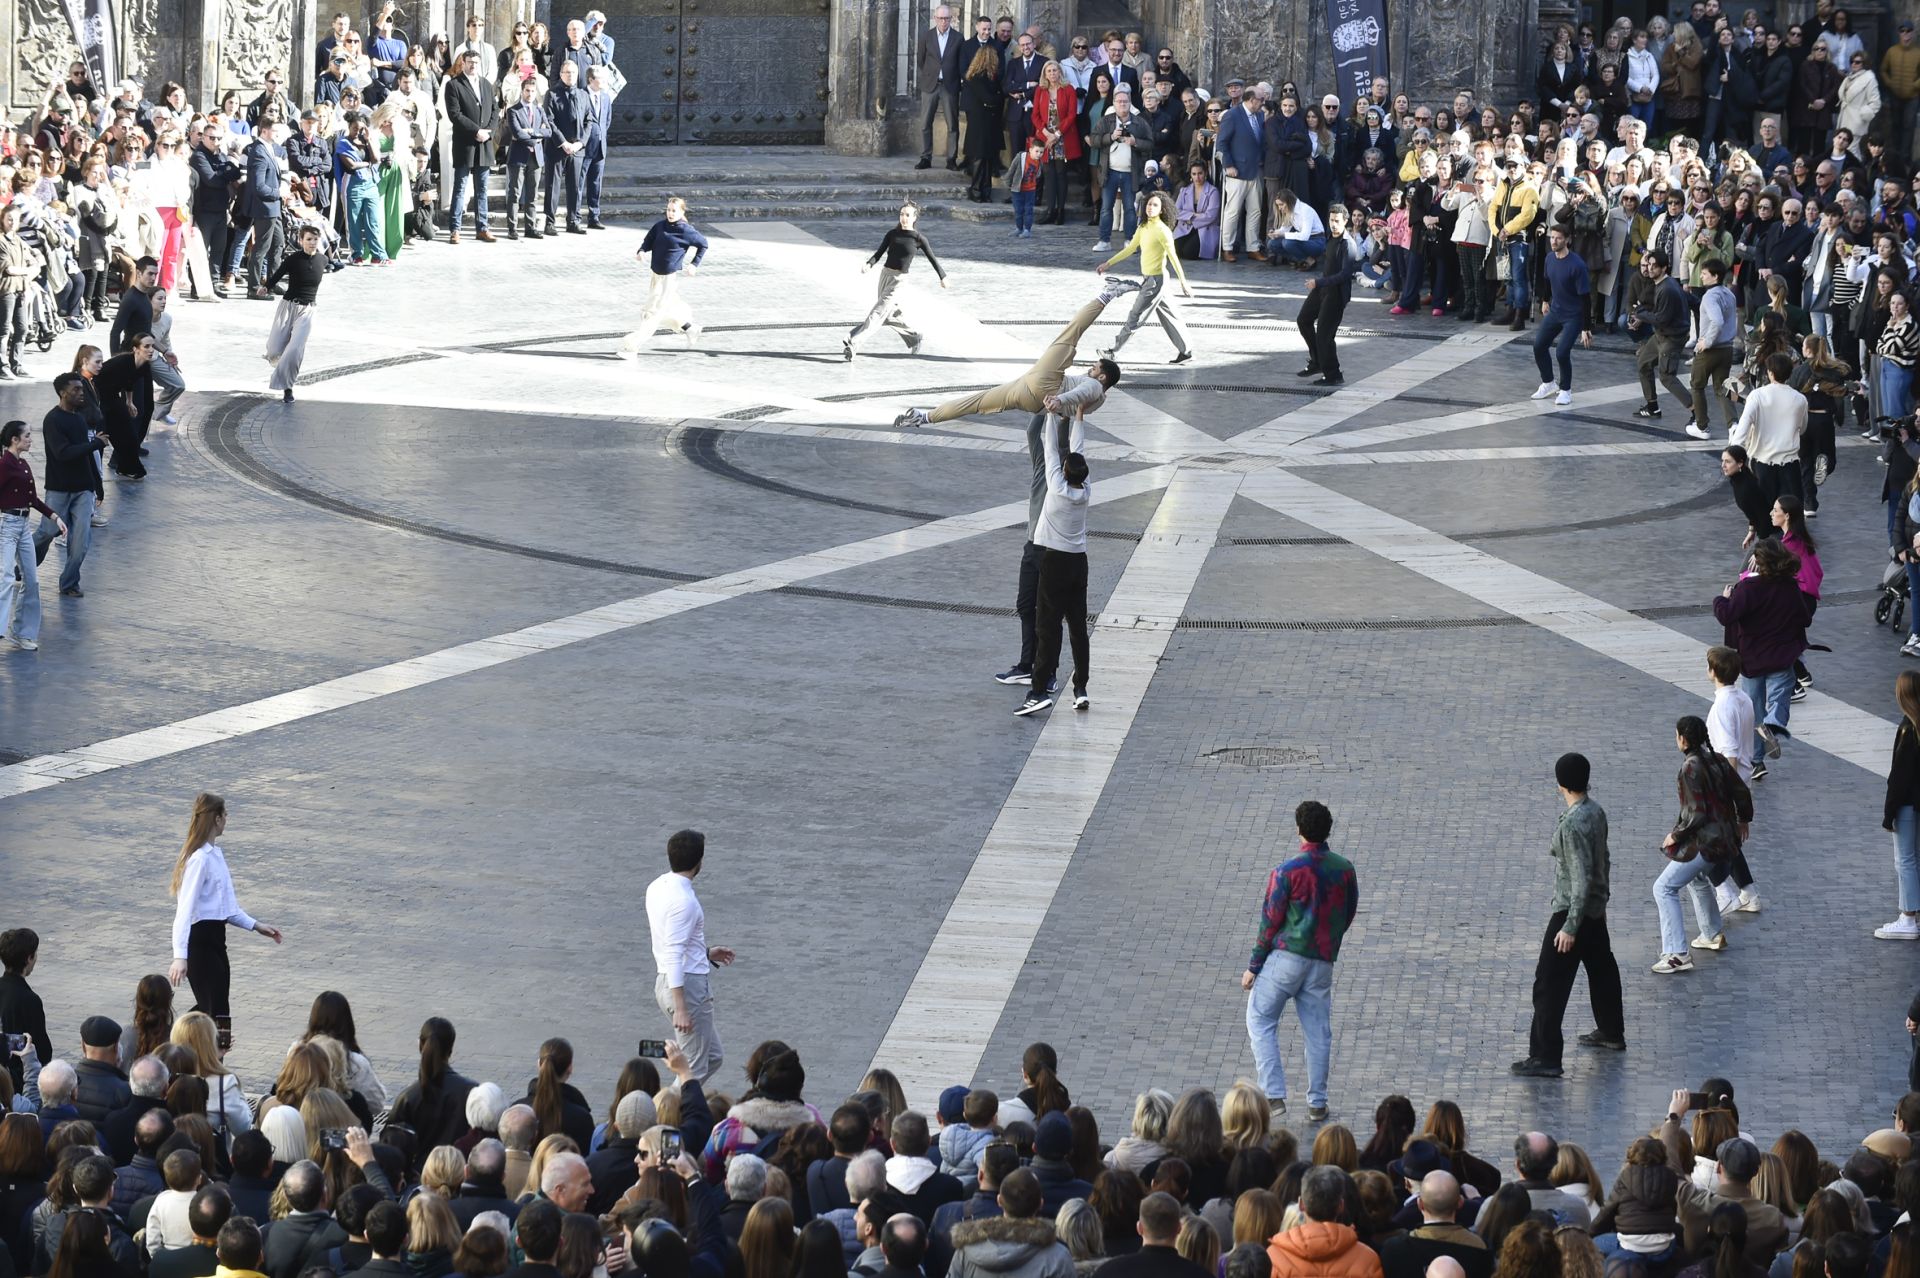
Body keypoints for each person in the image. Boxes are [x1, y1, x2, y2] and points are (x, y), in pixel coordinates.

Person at [1241, 800, 1357, 1121]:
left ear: (1299, 830)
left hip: (1286, 958)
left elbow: (1270, 921)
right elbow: (1347, 913)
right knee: (1318, 1032)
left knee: (1261, 1019)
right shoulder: (1344, 869)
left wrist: (1253, 967)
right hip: (1321, 961)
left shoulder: (1286, 872)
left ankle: (1273, 1095)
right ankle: (1317, 1102)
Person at [1513, 752, 1625, 1077]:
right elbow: (1603, 861)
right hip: (1593, 910)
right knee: (1603, 969)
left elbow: (1580, 876)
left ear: (1560, 784)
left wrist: (1570, 926)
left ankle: (1546, 1055)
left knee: (1548, 983)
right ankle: (1611, 1031)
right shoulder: (1596, 812)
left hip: (1571, 912)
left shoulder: (1574, 824)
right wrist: (1600, 905)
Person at [894, 277, 1133, 429]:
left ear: (1103, 378)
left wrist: (1059, 399)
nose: (1090, 368)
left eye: (1095, 368)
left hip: (1047, 385)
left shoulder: (1095, 388)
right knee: (977, 402)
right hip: (1032, 401)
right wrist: (1056, 407)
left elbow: (1080, 391)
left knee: (1071, 333)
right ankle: (924, 418)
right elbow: (1070, 411)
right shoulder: (1094, 401)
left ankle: (1107, 294)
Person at [167, 792, 284, 1052]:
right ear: (217, 819)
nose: (227, 819)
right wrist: (180, 955)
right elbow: (184, 911)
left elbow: (226, 909)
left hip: (217, 941)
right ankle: (178, 1043)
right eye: (225, 815)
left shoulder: (215, 856)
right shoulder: (199, 860)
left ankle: (211, 1057)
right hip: (200, 943)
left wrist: (256, 925)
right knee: (212, 1009)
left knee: (219, 1008)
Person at [1652, 716, 1752, 974]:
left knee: (1663, 888)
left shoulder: (1689, 768)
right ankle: (1711, 932)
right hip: (1727, 838)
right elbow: (1741, 792)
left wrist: (1675, 835)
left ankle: (1676, 953)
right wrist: (1743, 821)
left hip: (1707, 842)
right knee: (1696, 878)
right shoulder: (1717, 759)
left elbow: (1695, 813)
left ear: (1682, 739)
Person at [1012, 409, 1093, 719]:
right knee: (1077, 629)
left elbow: (1049, 447)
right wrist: (1079, 418)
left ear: (1063, 470)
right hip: (1079, 564)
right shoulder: (1085, 490)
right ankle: (1081, 687)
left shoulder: (1056, 489)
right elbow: (1079, 450)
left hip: (1054, 562)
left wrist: (1049, 414)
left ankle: (1038, 691)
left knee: (1048, 629)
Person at [1712, 537, 1809, 778]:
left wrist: (1722, 598)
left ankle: (1756, 762)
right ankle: (1774, 727)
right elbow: (1804, 617)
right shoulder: (1789, 586)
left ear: (1759, 560)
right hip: (1781, 654)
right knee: (1780, 696)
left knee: (1754, 710)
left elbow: (1727, 615)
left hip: (1752, 658)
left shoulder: (1747, 589)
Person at [645, 829, 735, 1083]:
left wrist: (704, 953)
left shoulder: (657, 886)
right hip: (687, 989)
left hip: (667, 981)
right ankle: (668, 1115)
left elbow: (671, 939)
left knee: (712, 1057)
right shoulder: (685, 902)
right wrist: (681, 1008)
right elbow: (674, 952)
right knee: (692, 1069)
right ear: (699, 862)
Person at [1097, 191, 1193, 364]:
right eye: (1149, 204)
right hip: (1150, 279)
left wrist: (1184, 283)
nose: (1150, 207)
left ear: (1162, 209)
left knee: (1135, 315)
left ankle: (1113, 351)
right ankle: (1187, 351)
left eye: (1155, 205)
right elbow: (1130, 248)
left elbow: (1173, 258)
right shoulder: (1143, 227)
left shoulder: (1163, 231)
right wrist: (1108, 263)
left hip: (1156, 281)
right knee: (1169, 315)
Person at [846, 203, 949, 362]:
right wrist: (869, 264)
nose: (904, 218)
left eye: (908, 215)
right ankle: (914, 338)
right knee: (889, 314)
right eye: (902, 214)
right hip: (885, 276)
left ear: (914, 217)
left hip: (899, 281)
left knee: (878, 312)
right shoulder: (892, 234)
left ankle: (854, 342)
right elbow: (879, 253)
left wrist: (943, 277)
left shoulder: (919, 239)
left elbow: (933, 259)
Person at [1702, 646, 1763, 913]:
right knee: (1731, 841)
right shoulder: (1743, 699)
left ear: (1713, 672)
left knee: (1709, 840)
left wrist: (1725, 795)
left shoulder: (1721, 707)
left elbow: (1730, 754)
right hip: (1743, 779)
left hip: (1728, 783)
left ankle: (1722, 891)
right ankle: (1749, 893)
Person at [35, 373, 105, 599]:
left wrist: (97, 485)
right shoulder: (53, 420)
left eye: (82, 389)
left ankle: (69, 583)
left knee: (80, 541)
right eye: (76, 390)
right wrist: (95, 443)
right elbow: (63, 453)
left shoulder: (78, 419)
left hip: (83, 489)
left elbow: (85, 455)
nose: (81, 393)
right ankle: (23, 565)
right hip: (59, 488)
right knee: (48, 531)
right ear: (62, 393)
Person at [0, 419, 61, 653]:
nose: (30, 439)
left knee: (32, 580)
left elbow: (32, 499)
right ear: (14, 440)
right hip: (7, 526)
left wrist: (55, 517)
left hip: (24, 526)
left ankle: (22, 633)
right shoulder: (4, 465)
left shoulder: (24, 465)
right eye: (26, 435)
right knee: (6, 578)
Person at [621, 197, 707, 354]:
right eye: (668, 210)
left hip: (668, 279)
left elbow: (703, 244)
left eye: (674, 210)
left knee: (652, 314)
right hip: (655, 277)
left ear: (681, 212)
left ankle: (632, 347)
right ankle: (690, 328)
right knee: (665, 310)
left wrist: (694, 264)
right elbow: (649, 239)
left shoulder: (686, 230)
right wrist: (641, 251)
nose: (670, 213)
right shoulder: (660, 226)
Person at [1730, 354, 1807, 509]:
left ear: (1770, 373)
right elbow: (1802, 427)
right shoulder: (1800, 399)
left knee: (1765, 512)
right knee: (1791, 514)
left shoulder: (1757, 395)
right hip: (1790, 464)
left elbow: (1743, 427)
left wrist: (1734, 453)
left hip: (1763, 463)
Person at [1530, 224, 1592, 407]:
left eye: (1558, 238)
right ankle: (1549, 383)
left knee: (1562, 352)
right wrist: (1545, 300)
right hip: (1556, 311)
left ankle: (1565, 390)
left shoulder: (1577, 265)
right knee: (1539, 346)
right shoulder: (1549, 258)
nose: (1553, 241)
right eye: (1552, 237)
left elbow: (1586, 299)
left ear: (1567, 240)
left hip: (1574, 316)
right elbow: (1547, 281)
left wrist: (1586, 328)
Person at [264, 225, 326, 403]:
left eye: (315, 239)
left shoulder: (323, 260)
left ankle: (287, 388)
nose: (312, 243)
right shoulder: (293, 259)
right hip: (288, 306)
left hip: (308, 310)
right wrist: (265, 287)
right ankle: (282, 366)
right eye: (308, 239)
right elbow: (277, 275)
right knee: (274, 349)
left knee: (295, 350)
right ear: (301, 241)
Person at [1881, 671, 1920, 942]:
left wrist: (1888, 813)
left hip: (1907, 804)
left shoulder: (1908, 728)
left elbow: (1899, 777)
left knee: (1904, 860)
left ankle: (1908, 917)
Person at [1633, 249, 1694, 422]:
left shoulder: (1667, 289)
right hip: (1661, 335)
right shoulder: (1664, 284)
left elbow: (1661, 319)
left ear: (1664, 268)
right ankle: (1652, 406)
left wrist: (1641, 313)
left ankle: (1697, 411)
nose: (1650, 269)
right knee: (1644, 363)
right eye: (1649, 264)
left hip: (1671, 338)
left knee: (1667, 376)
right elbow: (1693, 301)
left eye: (1654, 266)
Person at [443, 50, 496, 243]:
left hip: (484, 143)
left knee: (482, 188)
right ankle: (454, 229)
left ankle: (482, 228)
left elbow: (494, 110)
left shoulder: (486, 85)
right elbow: (455, 114)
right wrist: (476, 131)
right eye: (469, 62)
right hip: (465, 143)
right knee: (460, 187)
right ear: (463, 63)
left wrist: (488, 131)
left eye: (476, 62)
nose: (473, 65)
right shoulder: (454, 85)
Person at [1295, 205, 1351, 385]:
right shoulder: (1330, 238)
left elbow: (1344, 275)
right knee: (1303, 320)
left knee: (1325, 334)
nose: (1333, 224)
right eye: (1331, 220)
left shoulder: (1347, 244)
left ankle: (1334, 374)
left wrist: (1318, 283)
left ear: (1345, 221)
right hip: (1323, 288)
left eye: (1337, 221)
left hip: (1336, 293)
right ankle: (1317, 361)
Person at [96, 333, 157, 480]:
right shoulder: (122, 362)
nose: (151, 350)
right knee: (104, 433)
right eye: (146, 346)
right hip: (100, 397)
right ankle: (95, 473)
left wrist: (129, 402)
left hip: (113, 397)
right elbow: (96, 377)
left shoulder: (143, 365)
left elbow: (129, 382)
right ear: (136, 349)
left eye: (152, 346)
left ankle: (125, 467)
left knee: (129, 433)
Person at [1691, 259, 1738, 440]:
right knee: (1721, 388)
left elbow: (1717, 321)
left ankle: (1702, 426)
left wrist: (1706, 342)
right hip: (1727, 349)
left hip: (1710, 351)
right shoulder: (1729, 294)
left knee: (1697, 385)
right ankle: (1733, 425)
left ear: (1715, 276)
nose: (1701, 276)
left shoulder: (1710, 296)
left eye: (1704, 273)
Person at [917, 6, 961, 171]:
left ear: (951, 19)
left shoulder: (958, 38)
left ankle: (951, 159)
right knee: (925, 123)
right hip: (931, 85)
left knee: (952, 124)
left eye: (947, 18)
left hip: (950, 85)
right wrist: (932, 74)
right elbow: (921, 59)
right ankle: (925, 157)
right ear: (935, 18)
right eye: (941, 18)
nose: (944, 21)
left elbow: (959, 62)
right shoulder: (926, 36)